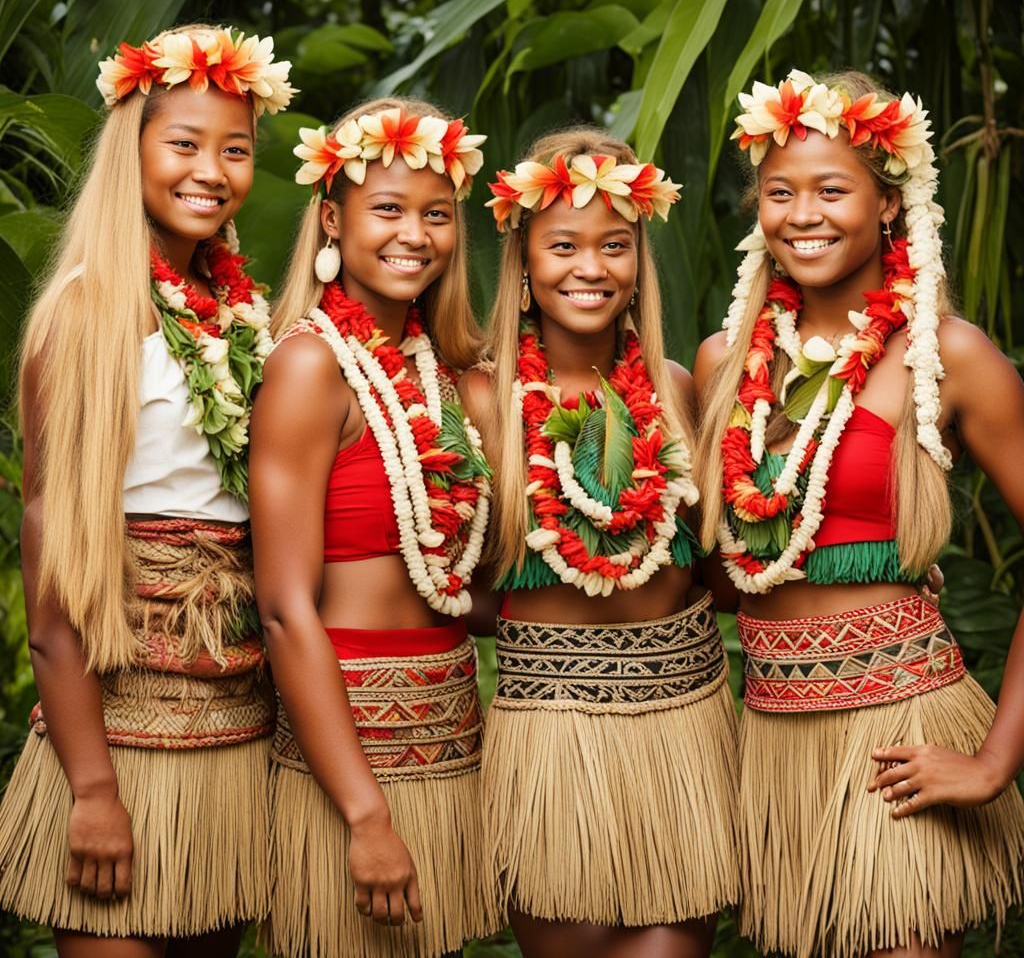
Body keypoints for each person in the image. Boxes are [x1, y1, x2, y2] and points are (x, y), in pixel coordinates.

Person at [694, 69, 1024, 958]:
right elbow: (713, 569)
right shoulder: (726, 358)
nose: (804, 213)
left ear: (887, 203)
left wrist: (997, 759)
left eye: (832, 189)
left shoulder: (946, 356)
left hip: (897, 736)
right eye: (780, 192)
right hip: (770, 734)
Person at [0, 26, 294, 956]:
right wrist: (91, 789)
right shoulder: (88, 311)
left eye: (236, 150)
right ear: (132, 151)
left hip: (232, 735)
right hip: (116, 741)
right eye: (184, 144)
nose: (212, 170)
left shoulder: (244, 318)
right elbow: (54, 585)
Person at [459, 128, 740, 958]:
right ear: (522, 263)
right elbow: (435, 571)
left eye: (615, 244)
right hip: (551, 727)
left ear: (640, 262)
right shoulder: (481, 400)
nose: (591, 267)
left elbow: (722, 567)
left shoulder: (677, 388)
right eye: (564, 245)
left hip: (683, 722)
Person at [250, 97, 498, 958]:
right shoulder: (310, 365)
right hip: (348, 759)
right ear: (332, 217)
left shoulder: (450, 379)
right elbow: (284, 607)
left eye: (436, 214)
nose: (414, 235)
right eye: (387, 209)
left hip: (450, 739)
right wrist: (364, 814)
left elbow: (473, 585)